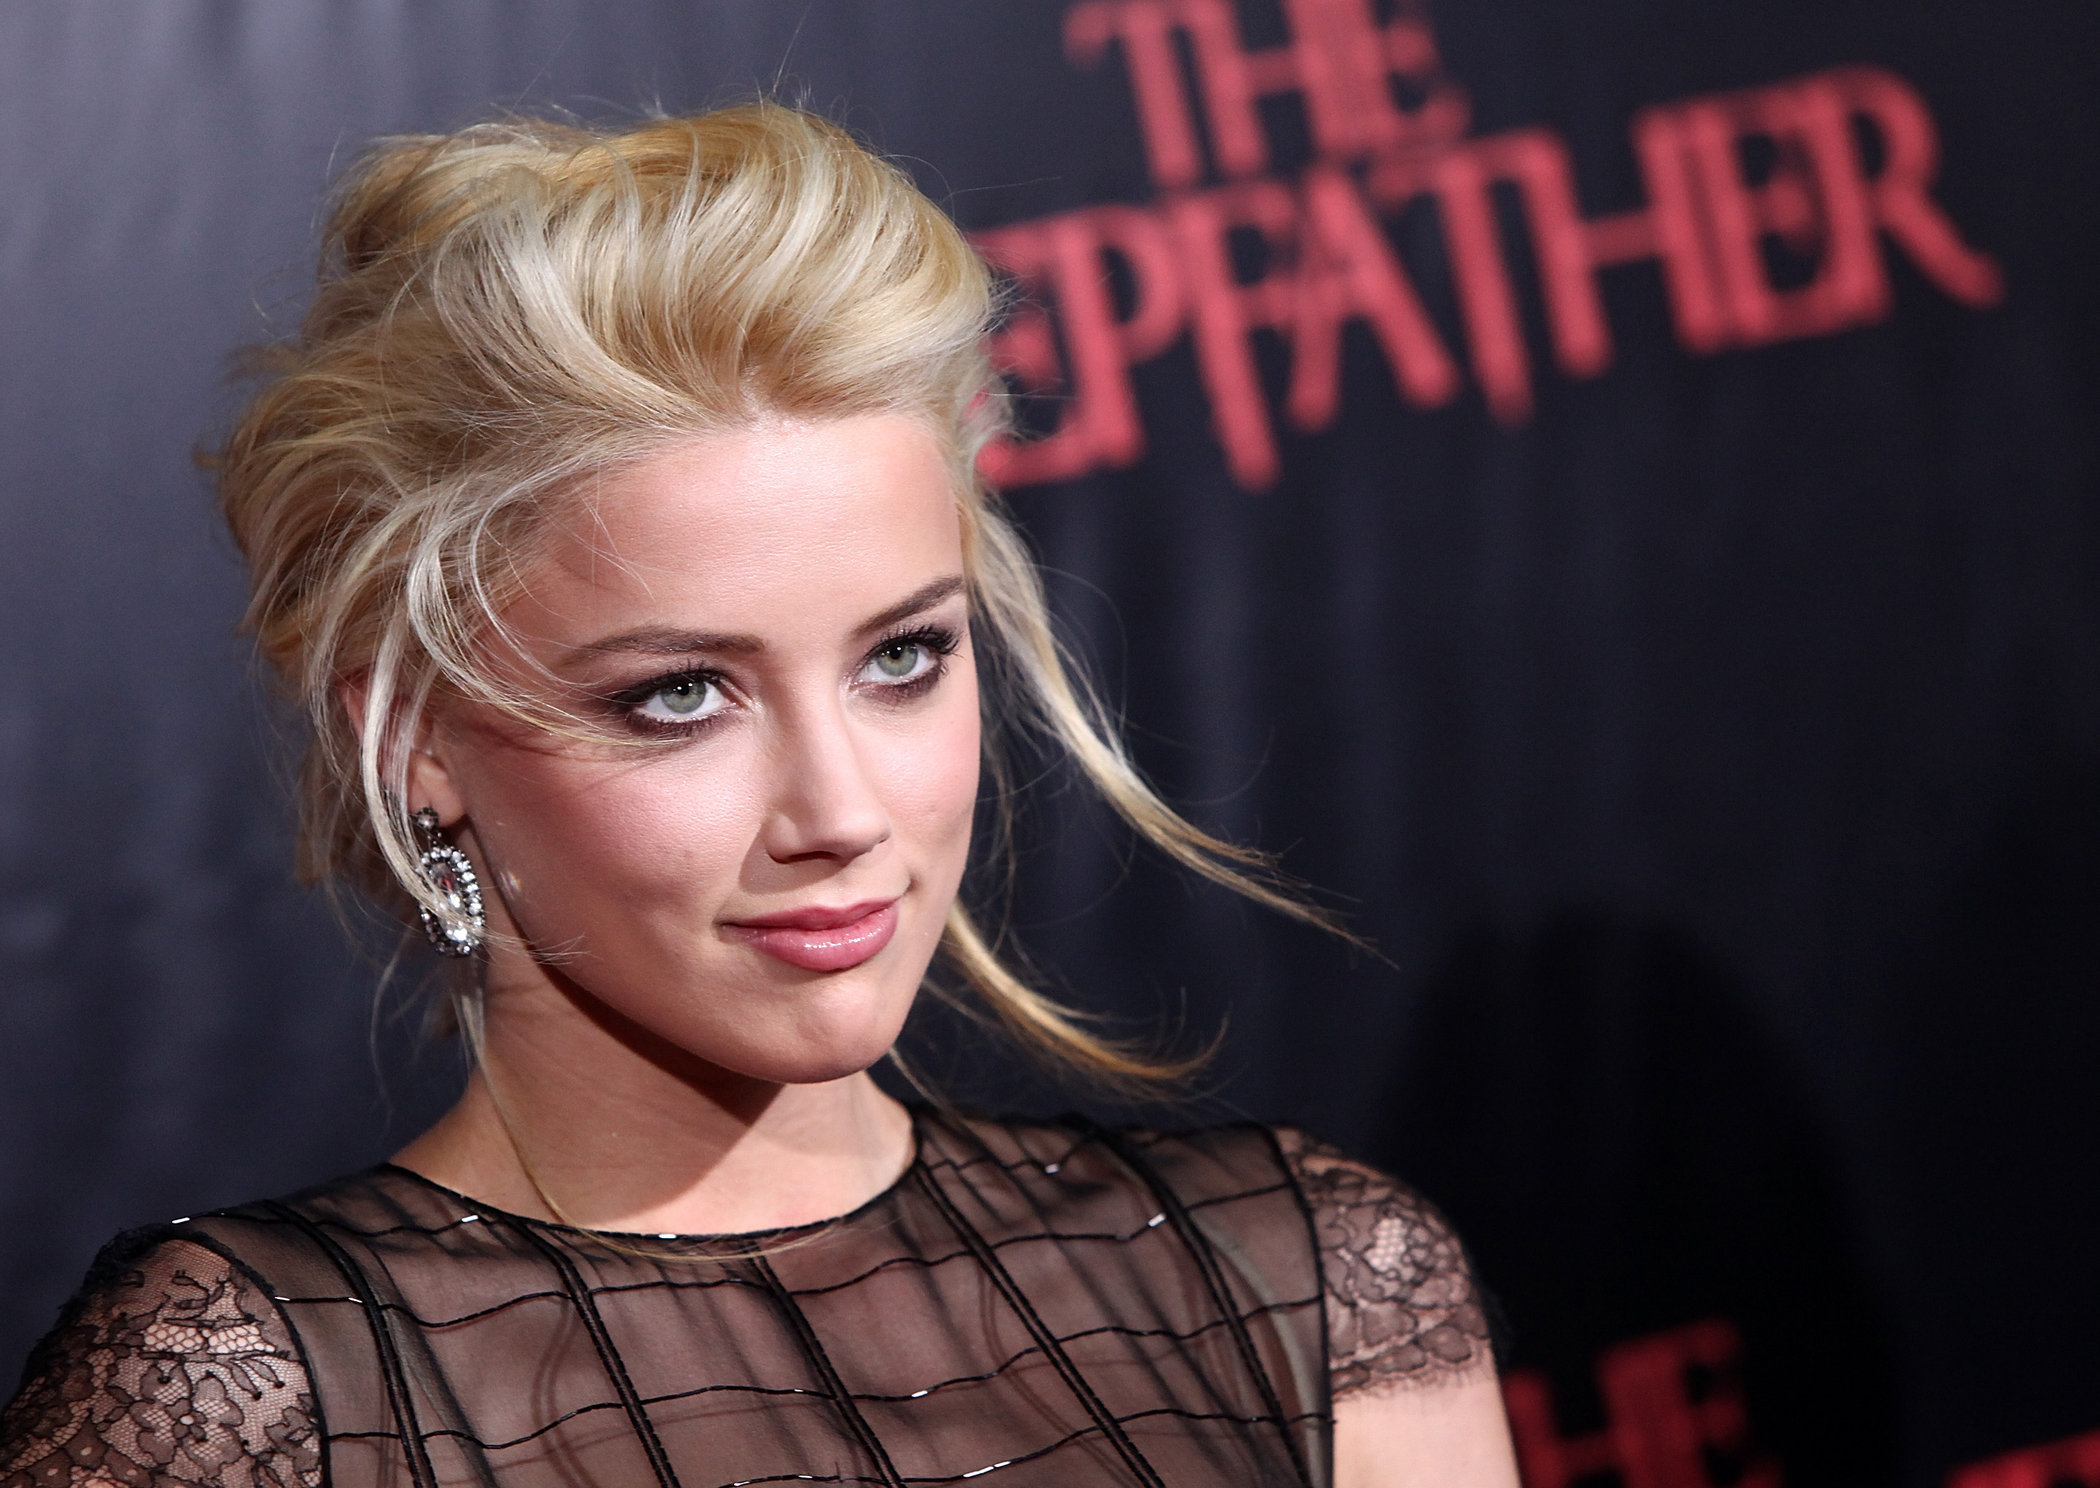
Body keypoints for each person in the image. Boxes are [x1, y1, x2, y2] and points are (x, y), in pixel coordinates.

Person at [0, 105, 1518, 1488]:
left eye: (902, 658)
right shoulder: (254, 1408)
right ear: (416, 739)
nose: (839, 812)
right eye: (680, 694)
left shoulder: (1312, 1289)